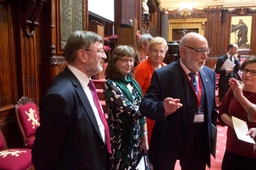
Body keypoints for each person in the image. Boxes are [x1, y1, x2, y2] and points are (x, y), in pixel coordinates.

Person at [32, 30, 111, 170]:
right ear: (82, 55)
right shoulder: (60, 96)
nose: (104, 55)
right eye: (99, 51)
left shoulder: (86, 83)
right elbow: (44, 156)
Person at [140, 32, 218, 170]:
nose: (205, 56)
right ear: (183, 51)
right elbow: (145, 105)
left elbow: (211, 107)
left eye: (206, 51)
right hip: (169, 141)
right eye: (200, 51)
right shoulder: (163, 74)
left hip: (198, 143)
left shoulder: (209, 74)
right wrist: (162, 108)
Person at [104, 45, 148, 169]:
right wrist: (158, 109)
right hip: (120, 137)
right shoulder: (110, 84)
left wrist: (145, 137)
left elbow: (142, 111)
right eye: (124, 60)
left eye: (131, 60)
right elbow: (132, 110)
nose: (129, 63)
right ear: (114, 63)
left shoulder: (133, 82)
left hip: (136, 134)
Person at [219, 56, 256, 170]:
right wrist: (233, 124)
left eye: (253, 72)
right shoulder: (234, 88)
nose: (247, 74)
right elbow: (222, 112)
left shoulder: (237, 92)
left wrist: (239, 96)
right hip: (233, 145)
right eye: (245, 70)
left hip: (253, 149)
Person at [134, 36, 168, 144]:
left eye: (161, 51)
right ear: (149, 51)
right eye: (155, 51)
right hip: (147, 114)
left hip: (162, 112)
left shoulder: (166, 68)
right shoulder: (141, 68)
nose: (158, 54)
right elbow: (135, 93)